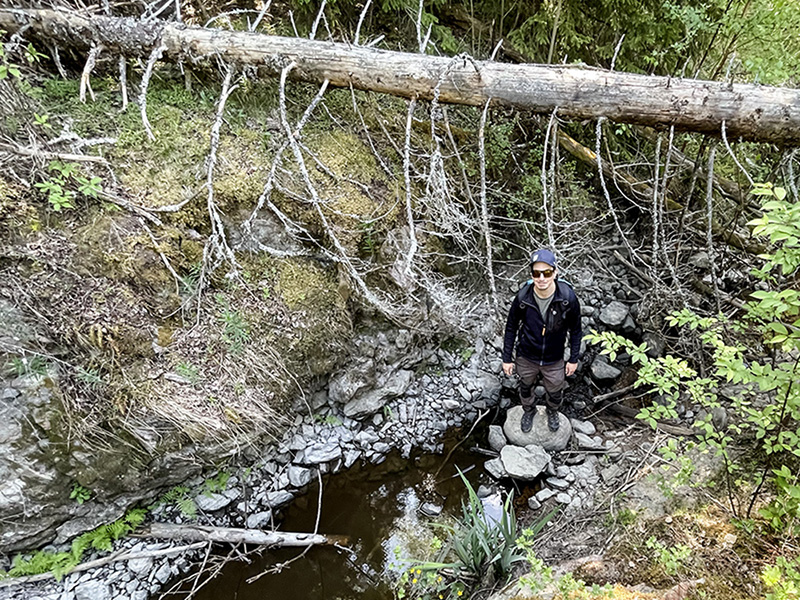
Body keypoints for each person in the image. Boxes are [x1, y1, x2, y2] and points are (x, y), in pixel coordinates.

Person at [502, 249, 582, 433]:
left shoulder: (567, 298)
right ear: (531, 274)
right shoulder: (523, 297)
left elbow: (576, 330)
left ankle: (552, 411)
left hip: (554, 357)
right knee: (525, 386)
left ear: (555, 272)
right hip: (526, 355)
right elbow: (511, 327)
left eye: (546, 272)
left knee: (555, 390)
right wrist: (507, 358)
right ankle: (528, 410)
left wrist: (573, 359)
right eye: (536, 273)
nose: (541, 278)